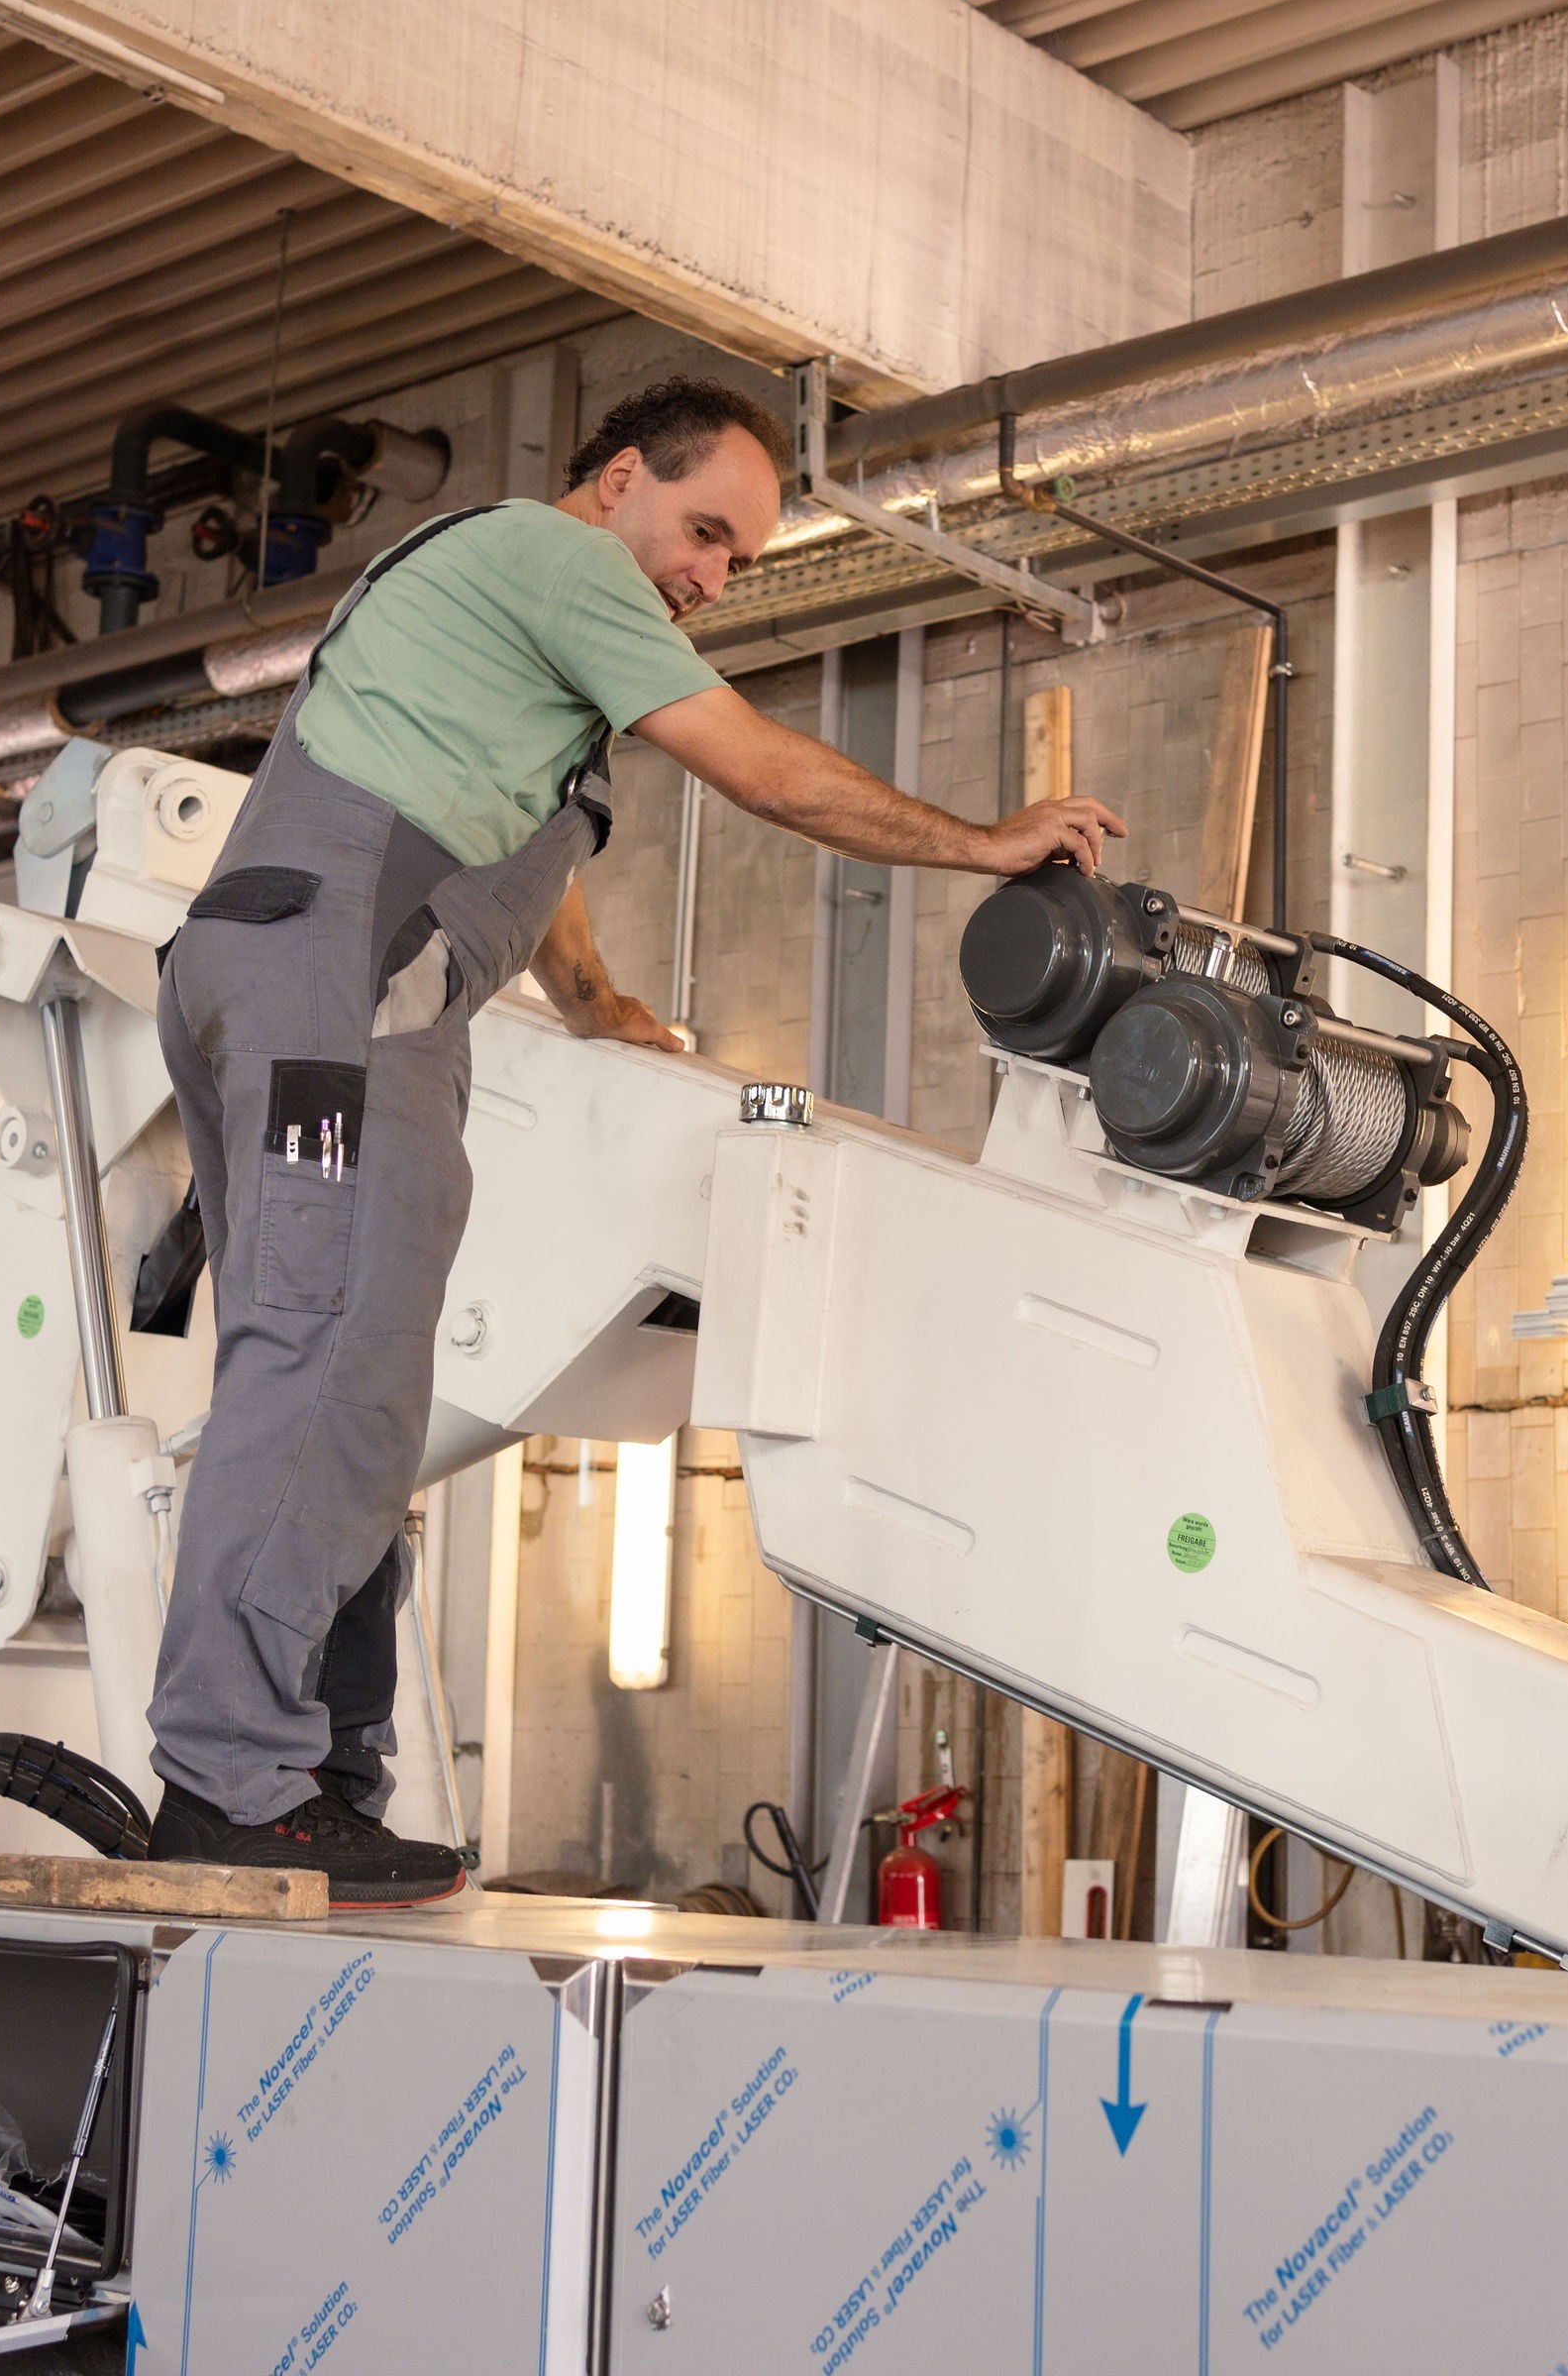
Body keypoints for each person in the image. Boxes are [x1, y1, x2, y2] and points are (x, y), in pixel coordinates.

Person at [142, 375, 1126, 1901]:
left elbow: (501, 831)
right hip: (331, 994)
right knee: (328, 1352)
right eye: (705, 530)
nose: (712, 577)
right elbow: (761, 770)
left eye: (738, 559)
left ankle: (312, 1777)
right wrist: (985, 844)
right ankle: (231, 1781)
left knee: (362, 1374)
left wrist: (591, 1000)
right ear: (615, 483)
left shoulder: (515, 632)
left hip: (320, 981)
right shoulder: (563, 562)